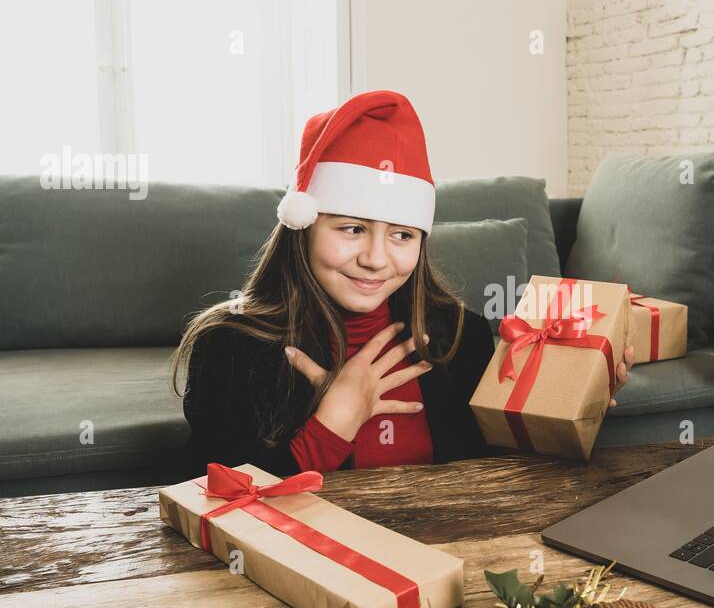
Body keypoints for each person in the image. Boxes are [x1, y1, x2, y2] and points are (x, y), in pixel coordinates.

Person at [175, 89, 632, 477]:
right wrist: (331, 425)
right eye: (351, 228)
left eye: (401, 235)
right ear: (303, 228)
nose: (376, 259)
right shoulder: (229, 347)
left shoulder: (460, 336)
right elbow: (216, 500)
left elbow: (500, 477)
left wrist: (572, 401)